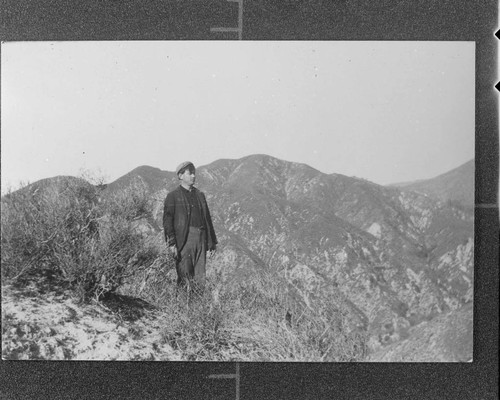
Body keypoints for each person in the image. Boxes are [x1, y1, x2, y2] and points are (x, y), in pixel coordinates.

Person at [163, 161, 217, 300]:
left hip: (201, 238)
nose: (193, 176)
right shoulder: (173, 196)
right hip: (184, 239)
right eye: (189, 173)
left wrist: (211, 243)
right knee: (184, 276)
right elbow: (167, 221)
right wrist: (172, 243)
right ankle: (181, 311)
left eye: (194, 173)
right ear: (180, 175)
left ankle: (196, 313)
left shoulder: (200, 195)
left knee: (200, 278)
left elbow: (207, 219)